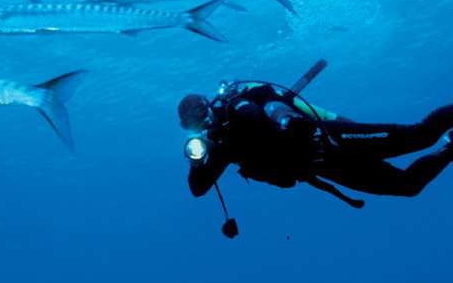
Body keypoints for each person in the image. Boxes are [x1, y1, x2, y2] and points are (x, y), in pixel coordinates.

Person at [179, 81, 453, 207]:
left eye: (198, 114)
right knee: (408, 186)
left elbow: (252, 120)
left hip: (332, 138)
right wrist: (196, 160)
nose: (200, 122)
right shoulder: (221, 147)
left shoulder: (235, 107)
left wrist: (223, 135)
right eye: (191, 123)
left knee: (421, 135)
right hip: (324, 167)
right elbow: (197, 188)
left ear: (208, 104)